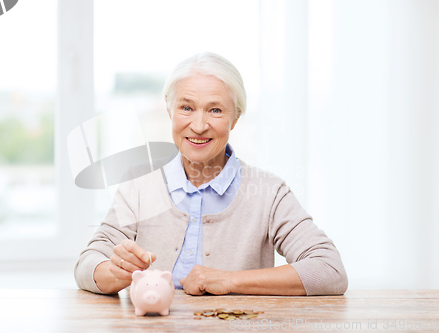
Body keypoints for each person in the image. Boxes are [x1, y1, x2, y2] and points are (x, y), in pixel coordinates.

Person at [74, 52, 348, 296]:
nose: (199, 125)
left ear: (236, 117)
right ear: (170, 110)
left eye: (215, 110)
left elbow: (329, 270)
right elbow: (87, 263)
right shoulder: (139, 184)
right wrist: (114, 273)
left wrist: (228, 280)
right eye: (186, 107)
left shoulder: (269, 192)